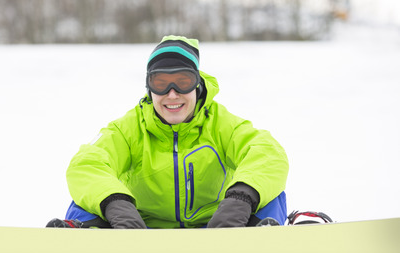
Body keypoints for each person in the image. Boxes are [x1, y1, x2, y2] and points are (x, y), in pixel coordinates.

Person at [46, 35, 289, 229]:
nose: (172, 94)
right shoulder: (128, 128)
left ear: (197, 85)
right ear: (149, 89)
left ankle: (262, 240)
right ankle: (81, 240)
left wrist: (240, 199)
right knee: (89, 196)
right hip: (137, 231)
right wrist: (115, 203)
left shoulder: (222, 123)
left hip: (220, 229)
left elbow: (268, 153)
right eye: (161, 83)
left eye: (182, 81)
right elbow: (87, 164)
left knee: (268, 190)